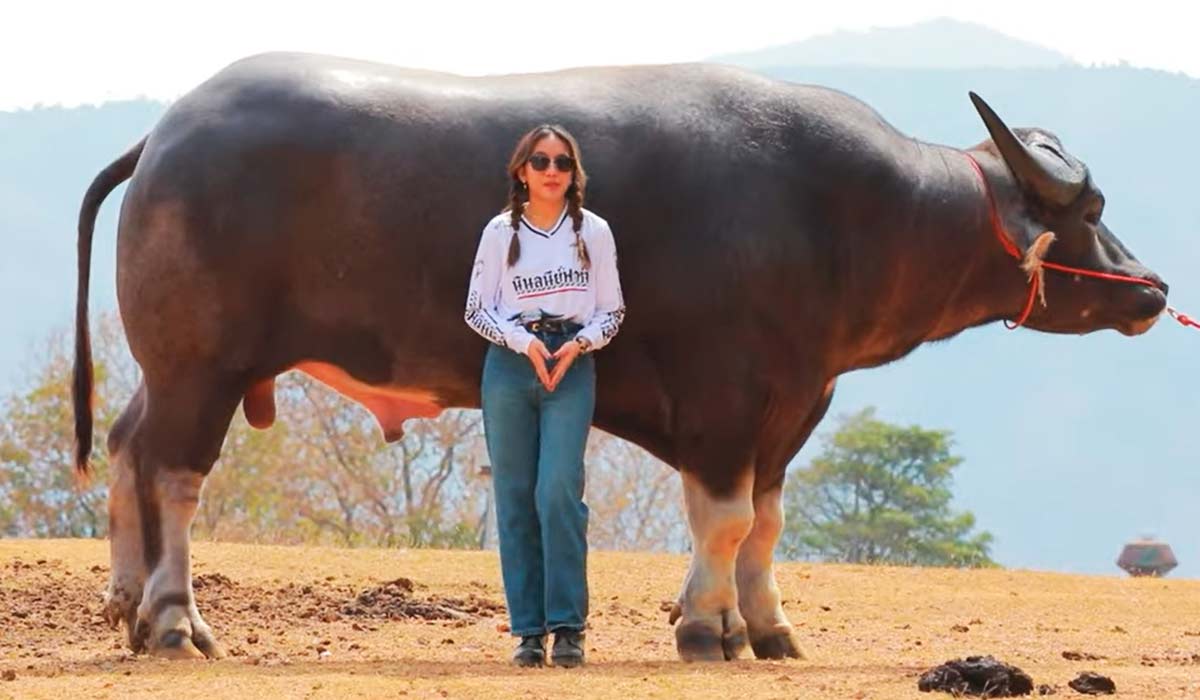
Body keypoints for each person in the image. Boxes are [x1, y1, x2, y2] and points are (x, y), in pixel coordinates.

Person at [464, 124, 625, 667]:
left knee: (557, 491)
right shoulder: (499, 230)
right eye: (540, 161)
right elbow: (475, 309)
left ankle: (569, 628)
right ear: (521, 170)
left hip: (571, 366)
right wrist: (522, 342)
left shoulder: (594, 232)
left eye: (562, 162)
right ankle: (529, 634)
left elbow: (612, 310)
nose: (552, 170)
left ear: (573, 172)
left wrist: (579, 344)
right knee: (514, 496)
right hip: (511, 366)